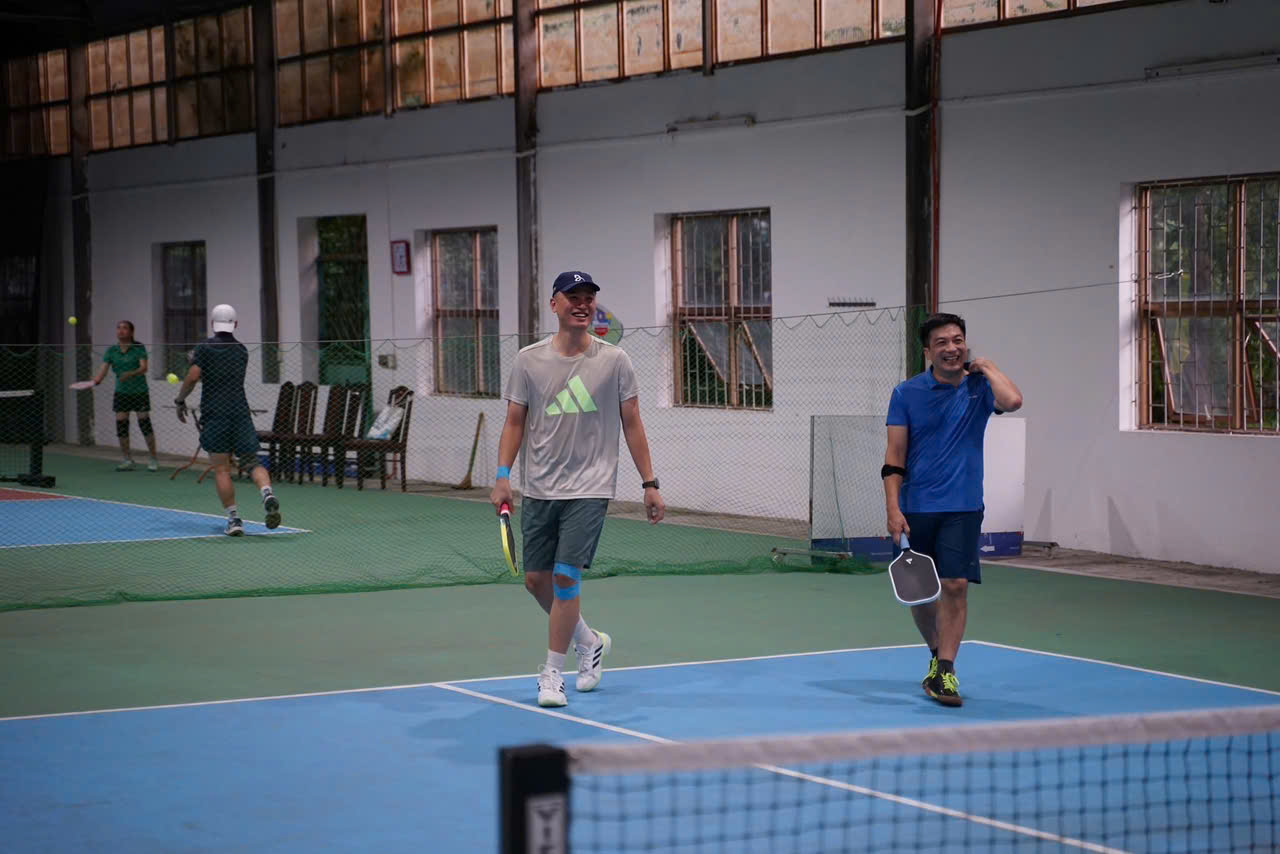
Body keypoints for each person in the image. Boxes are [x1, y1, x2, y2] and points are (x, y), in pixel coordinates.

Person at [490, 271, 665, 708]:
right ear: (554, 304)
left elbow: (633, 423)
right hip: (539, 487)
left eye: (589, 298)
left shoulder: (615, 360)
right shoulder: (528, 361)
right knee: (536, 581)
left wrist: (649, 483)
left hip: (590, 486)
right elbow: (514, 423)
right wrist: (502, 476)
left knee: (566, 576)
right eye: (573, 297)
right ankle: (589, 641)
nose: (582, 304)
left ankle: (552, 674)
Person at [882, 313, 1022, 707]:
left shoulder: (980, 388)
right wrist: (893, 508)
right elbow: (895, 455)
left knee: (956, 585)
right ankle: (934, 654)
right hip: (915, 507)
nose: (952, 348)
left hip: (963, 507)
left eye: (958, 340)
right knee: (920, 593)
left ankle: (946, 669)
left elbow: (1013, 401)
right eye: (942, 342)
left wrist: (988, 367)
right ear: (928, 351)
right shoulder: (906, 393)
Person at [173, 304, 281, 536]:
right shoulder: (241, 350)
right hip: (240, 412)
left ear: (213, 324)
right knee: (252, 462)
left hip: (215, 413)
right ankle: (267, 493)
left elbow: (193, 376)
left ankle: (234, 520)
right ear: (236, 324)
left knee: (222, 469)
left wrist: (180, 400)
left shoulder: (204, 348)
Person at [93, 320, 160, 472]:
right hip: (121, 393)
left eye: (124, 328)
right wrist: (96, 380)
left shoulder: (138, 348)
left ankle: (153, 459)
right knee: (121, 426)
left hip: (139, 392)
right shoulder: (111, 350)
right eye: (118, 328)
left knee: (145, 424)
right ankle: (127, 460)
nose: (121, 330)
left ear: (131, 332)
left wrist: (130, 374)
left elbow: (144, 368)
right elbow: (103, 369)